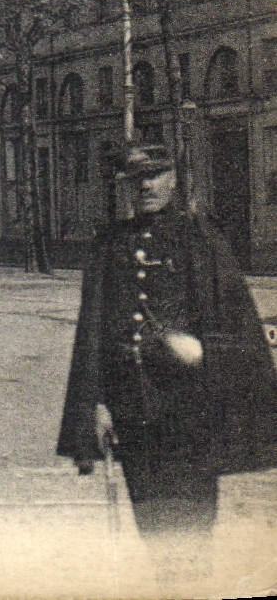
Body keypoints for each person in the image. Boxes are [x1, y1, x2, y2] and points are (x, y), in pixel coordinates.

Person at [57, 144, 277, 588]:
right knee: (155, 534)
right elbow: (92, 335)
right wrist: (95, 405)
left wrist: (201, 350)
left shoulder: (202, 240)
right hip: (132, 416)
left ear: (174, 178)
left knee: (191, 535)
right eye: (136, 178)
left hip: (189, 414)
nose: (146, 186)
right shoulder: (109, 245)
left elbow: (242, 328)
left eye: (156, 175)